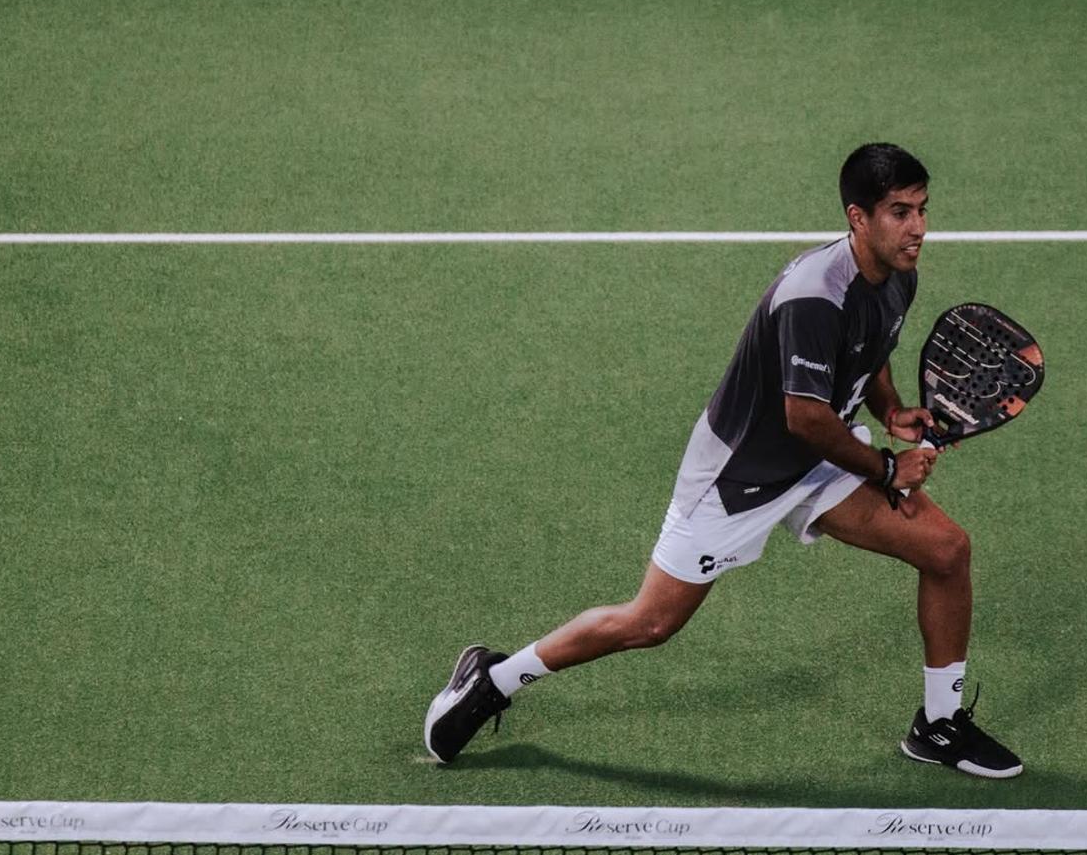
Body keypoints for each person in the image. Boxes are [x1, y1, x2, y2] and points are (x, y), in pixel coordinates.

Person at [424, 142, 1022, 779]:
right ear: (858, 217)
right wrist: (886, 468)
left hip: (817, 460)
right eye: (900, 212)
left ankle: (938, 725)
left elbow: (872, 347)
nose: (918, 228)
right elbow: (803, 417)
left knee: (946, 551)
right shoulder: (814, 296)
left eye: (922, 209)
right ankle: (495, 678)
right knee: (651, 623)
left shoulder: (898, 275)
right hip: (740, 473)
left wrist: (892, 410)